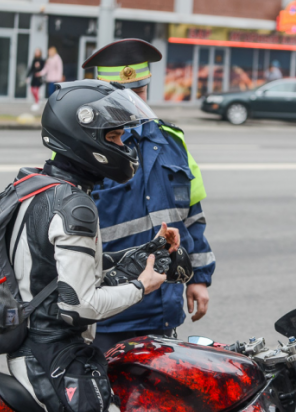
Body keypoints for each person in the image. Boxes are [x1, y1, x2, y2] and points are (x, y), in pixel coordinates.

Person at [7, 79, 181, 411]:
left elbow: (62, 266)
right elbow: (80, 306)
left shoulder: (41, 186)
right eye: (114, 137)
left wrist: (148, 250)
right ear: (84, 138)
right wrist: (142, 286)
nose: (124, 146)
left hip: (38, 347)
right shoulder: (75, 206)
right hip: (55, 357)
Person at [81, 39, 215, 352]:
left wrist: (198, 278)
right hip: (108, 312)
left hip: (162, 310)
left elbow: (192, 216)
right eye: (119, 94)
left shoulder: (171, 140)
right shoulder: (86, 149)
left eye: (138, 93)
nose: (130, 102)